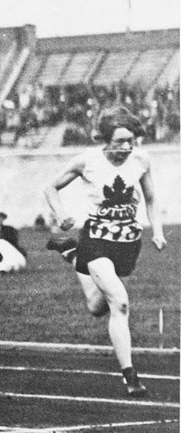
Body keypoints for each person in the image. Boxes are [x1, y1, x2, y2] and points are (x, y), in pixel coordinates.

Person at [43, 107, 165, 397]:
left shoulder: (141, 160)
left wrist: (157, 230)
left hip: (127, 243)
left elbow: (150, 198)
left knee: (98, 307)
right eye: (119, 141)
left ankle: (73, 255)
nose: (126, 147)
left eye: (131, 141)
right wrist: (60, 214)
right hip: (96, 239)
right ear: (105, 139)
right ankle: (130, 376)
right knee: (120, 302)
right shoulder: (88, 161)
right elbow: (50, 187)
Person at [0, 212, 26, 277]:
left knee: (0, 242)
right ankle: (4, 269)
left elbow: (13, 241)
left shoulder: (9, 229)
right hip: (3, 259)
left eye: (0, 217)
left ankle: (12, 266)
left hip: (14, 256)